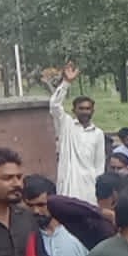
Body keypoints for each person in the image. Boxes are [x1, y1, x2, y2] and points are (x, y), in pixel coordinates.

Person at [48, 63, 106, 204]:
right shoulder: (66, 125)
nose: (85, 112)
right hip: (68, 186)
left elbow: (99, 166)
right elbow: (54, 105)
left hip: (89, 191)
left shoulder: (98, 134)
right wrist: (67, 82)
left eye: (88, 109)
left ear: (92, 111)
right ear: (74, 110)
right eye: (81, 108)